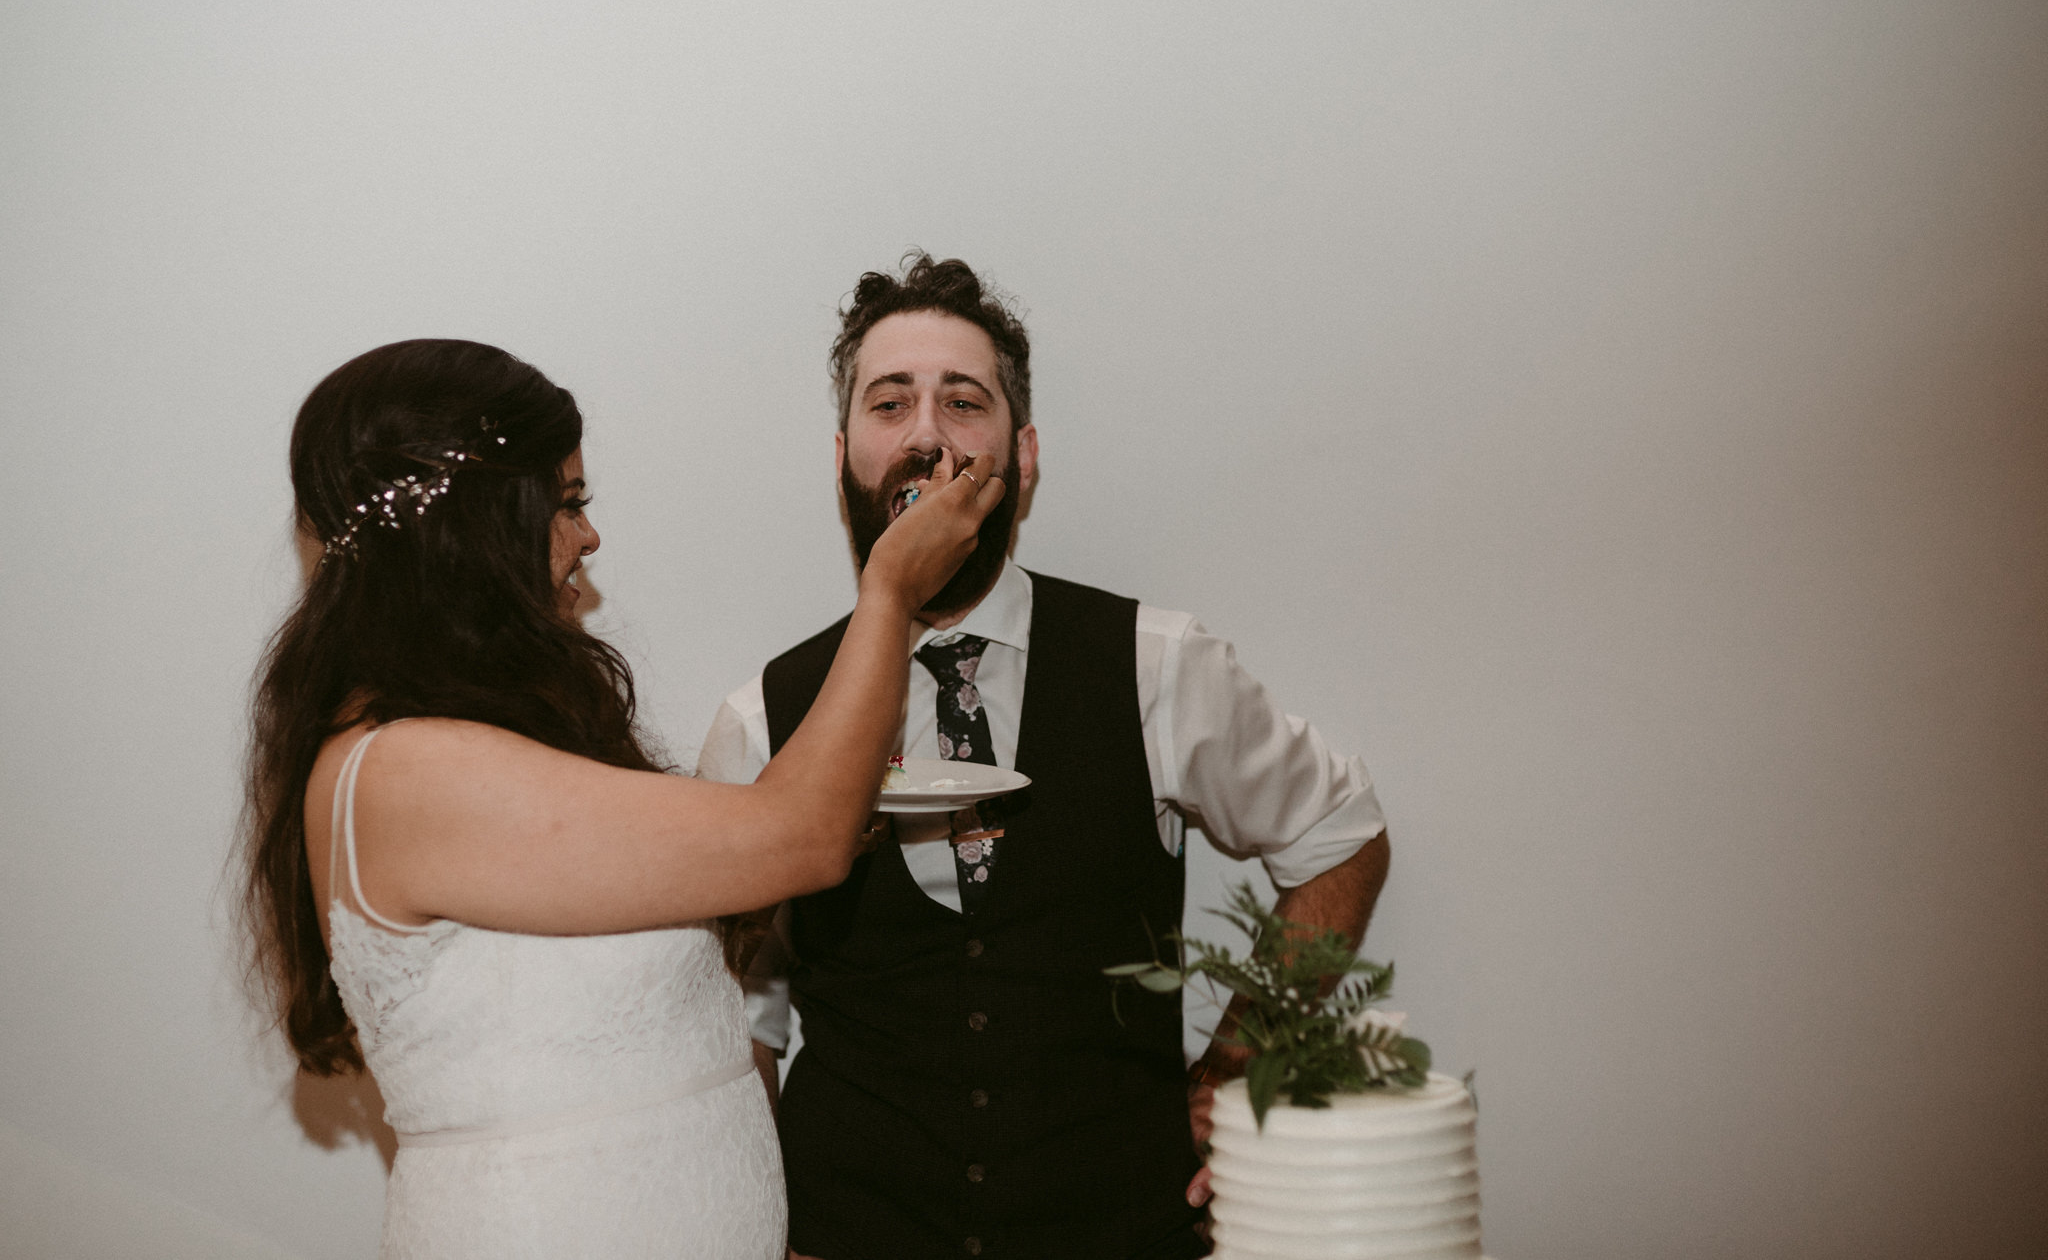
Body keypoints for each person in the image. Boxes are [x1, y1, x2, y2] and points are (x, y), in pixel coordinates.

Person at [239, 338, 1003, 1259]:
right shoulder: (402, 770)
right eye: (567, 505)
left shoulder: (486, 738)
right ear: (479, 527)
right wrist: (889, 589)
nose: (590, 537)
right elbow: (800, 837)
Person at [699, 256, 1392, 1260]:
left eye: (962, 402)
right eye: (889, 403)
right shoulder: (759, 717)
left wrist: (1235, 1060)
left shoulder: (1157, 663)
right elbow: (737, 1012)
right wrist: (762, 1220)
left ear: (1022, 454)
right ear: (843, 452)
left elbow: (1339, 836)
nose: (926, 433)